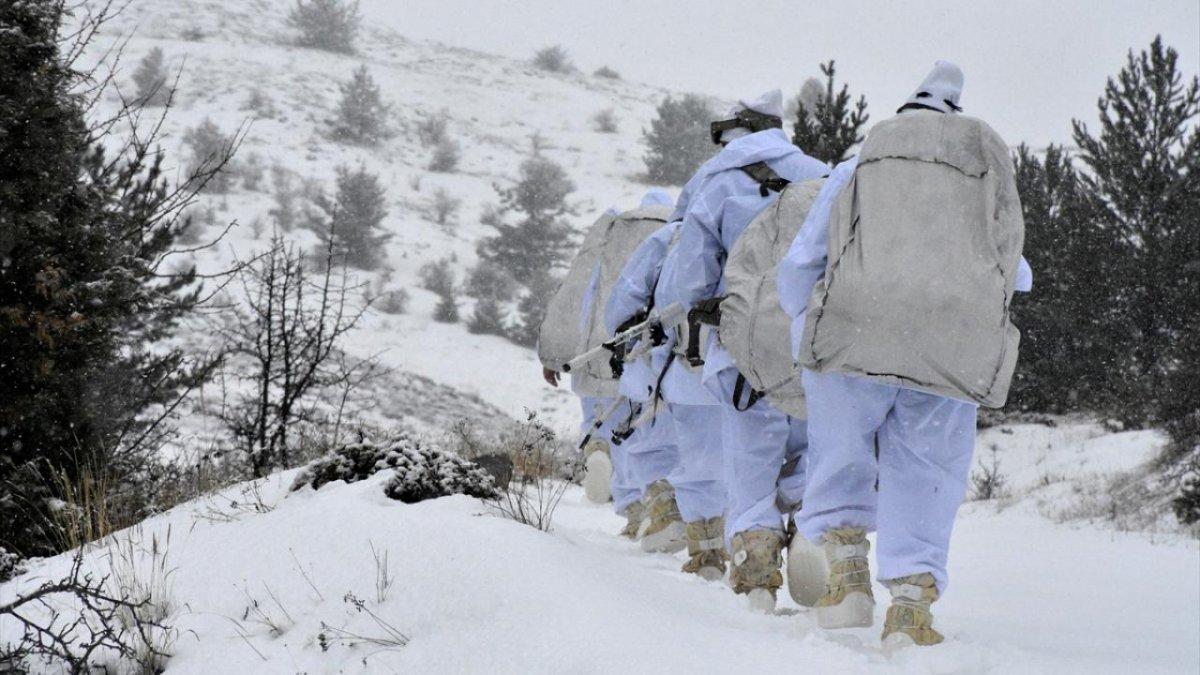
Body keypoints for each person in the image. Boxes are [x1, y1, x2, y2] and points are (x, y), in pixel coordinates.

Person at [778, 61, 1032, 648]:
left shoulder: (860, 166)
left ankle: (846, 583)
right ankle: (910, 610)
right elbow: (1016, 275)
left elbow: (801, 263)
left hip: (853, 330)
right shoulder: (980, 176)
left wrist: (808, 323)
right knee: (927, 470)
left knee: (840, 455)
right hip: (949, 347)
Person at [659, 90, 828, 593]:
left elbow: (688, 277)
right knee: (809, 443)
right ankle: (808, 526)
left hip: (742, 342)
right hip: (811, 338)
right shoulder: (824, 175)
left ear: (734, 132)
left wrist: (693, 326)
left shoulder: (714, 184)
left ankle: (756, 562)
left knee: (752, 449)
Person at [540, 191, 674, 506]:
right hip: (647, 347)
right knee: (639, 433)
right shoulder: (676, 233)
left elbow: (575, 292)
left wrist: (554, 354)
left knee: (600, 418)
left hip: (597, 344)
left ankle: (597, 449)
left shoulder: (613, 231)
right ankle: (637, 506)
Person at [604, 216, 685, 546]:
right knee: (711, 448)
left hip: (664, 355)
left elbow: (625, 298)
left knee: (652, 434)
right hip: (726, 356)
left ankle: (660, 507)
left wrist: (619, 338)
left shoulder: (670, 236)